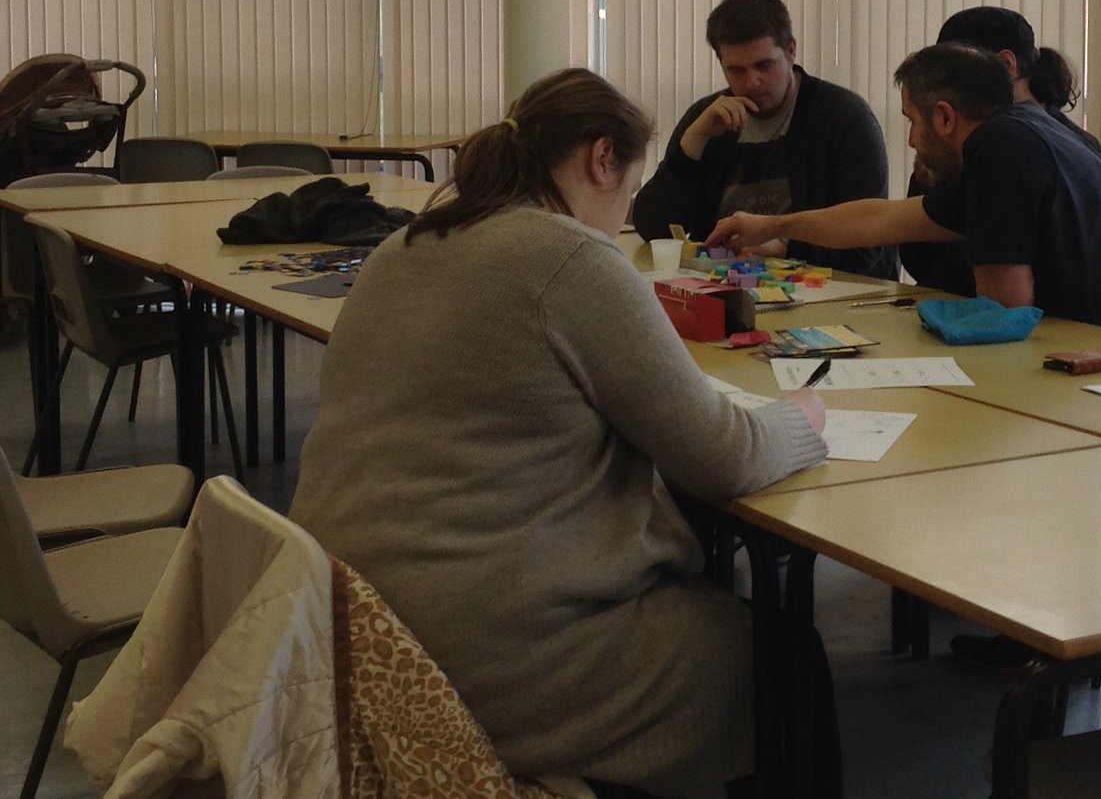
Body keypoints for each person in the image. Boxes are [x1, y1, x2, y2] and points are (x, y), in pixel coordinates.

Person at [289, 68, 830, 798]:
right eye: (630, 196)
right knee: (773, 649)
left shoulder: (407, 245)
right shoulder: (570, 258)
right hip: (477, 656)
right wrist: (800, 421)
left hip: (345, 628)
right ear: (601, 159)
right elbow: (726, 456)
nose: (623, 217)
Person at [707, 42, 1101, 346]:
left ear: (944, 117)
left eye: (912, 122)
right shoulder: (1019, 130)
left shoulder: (1000, 147)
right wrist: (771, 225)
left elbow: (1003, 313)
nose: (911, 140)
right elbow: (881, 220)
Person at [632, 0, 896, 279]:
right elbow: (652, 229)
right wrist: (692, 143)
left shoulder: (845, 118)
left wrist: (786, 247)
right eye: (735, 70)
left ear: (791, 51)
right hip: (729, 291)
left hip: (829, 296)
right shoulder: (708, 119)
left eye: (764, 65)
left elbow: (867, 246)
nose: (752, 82)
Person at [900, 6, 1101, 295]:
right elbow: (919, 257)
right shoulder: (970, 140)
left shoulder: (1019, 144)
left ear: (1007, 66)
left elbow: (1005, 285)